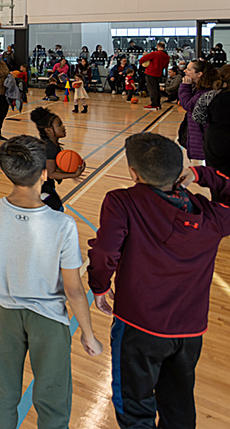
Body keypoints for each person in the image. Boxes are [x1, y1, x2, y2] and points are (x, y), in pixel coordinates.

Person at [88, 133, 230, 428]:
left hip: (139, 326)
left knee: (134, 405)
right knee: (178, 404)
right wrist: (202, 174)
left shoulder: (122, 201)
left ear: (133, 173)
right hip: (190, 331)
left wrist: (99, 286)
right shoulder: (212, 216)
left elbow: (104, 252)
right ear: (180, 172)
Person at [0, 135, 103, 429]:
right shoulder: (62, 224)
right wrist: (88, 334)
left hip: (4, 314)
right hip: (49, 320)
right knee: (53, 398)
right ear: (44, 174)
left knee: (4, 391)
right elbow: (74, 289)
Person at [30, 107, 85, 211]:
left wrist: (69, 170)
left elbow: (53, 168)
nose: (63, 127)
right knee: (58, 210)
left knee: (56, 210)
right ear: (48, 130)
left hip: (42, 185)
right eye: (59, 125)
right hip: (39, 187)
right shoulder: (49, 148)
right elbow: (51, 173)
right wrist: (74, 174)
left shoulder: (52, 145)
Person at [179, 60, 219, 165]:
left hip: (203, 135)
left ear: (199, 74)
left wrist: (185, 87)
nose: (185, 71)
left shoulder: (205, 92)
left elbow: (188, 105)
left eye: (189, 69)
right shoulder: (201, 88)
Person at [193, 65, 230, 177]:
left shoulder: (210, 95)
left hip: (215, 139)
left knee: (216, 178)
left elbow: (198, 117)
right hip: (218, 137)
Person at [138, 41, 170, 111]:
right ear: (164, 47)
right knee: (156, 89)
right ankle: (157, 104)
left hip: (150, 72)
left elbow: (141, 60)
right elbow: (166, 66)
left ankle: (154, 104)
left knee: (152, 89)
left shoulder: (155, 54)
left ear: (157, 46)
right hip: (159, 73)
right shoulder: (167, 57)